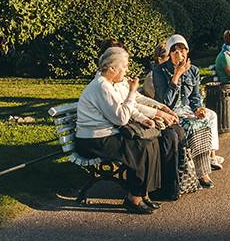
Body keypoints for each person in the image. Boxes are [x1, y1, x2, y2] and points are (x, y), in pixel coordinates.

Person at [75, 46, 180, 213]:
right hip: (92, 140)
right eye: (123, 67)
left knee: (150, 142)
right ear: (111, 68)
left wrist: (143, 118)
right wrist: (131, 91)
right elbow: (122, 117)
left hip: (106, 134)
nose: (126, 70)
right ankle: (134, 198)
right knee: (141, 147)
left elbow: (128, 109)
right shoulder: (102, 87)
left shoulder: (109, 84)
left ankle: (144, 194)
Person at [149, 34, 219, 187]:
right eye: (175, 53)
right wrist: (177, 75)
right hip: (168, 111)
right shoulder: (159, 71)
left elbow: (194, 96)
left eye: (183, 51)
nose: (180, 56)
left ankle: (202, 171)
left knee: (203, 122)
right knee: (191, 126)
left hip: (186, 109)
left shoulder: (193, 70)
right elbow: (164, 102)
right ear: (170, 54)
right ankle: (189, 171)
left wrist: (198, 108)